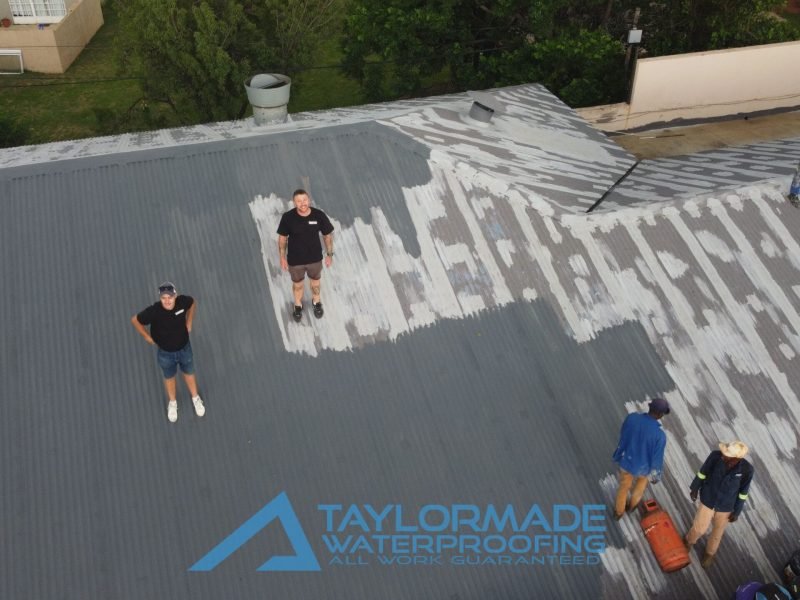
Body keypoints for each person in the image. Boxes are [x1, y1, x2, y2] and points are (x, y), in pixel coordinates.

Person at [131, 282, 205, 423]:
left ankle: (195, 398)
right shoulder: (154, 311)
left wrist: (189, 321)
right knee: (169, 377)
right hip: (165, 354)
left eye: (170, 297)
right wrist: (146, 336)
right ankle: (173, 402)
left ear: (175, 296)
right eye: (163, 297)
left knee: (189, 373)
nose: (167, 300)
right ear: (160, 298)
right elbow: (135, 320)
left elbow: (192, 302)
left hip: (184, 349)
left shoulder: (182, 302)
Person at [685, 441, 753, 569]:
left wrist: (736, 512)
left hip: (726, 507)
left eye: (727, 455)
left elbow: (743, 493)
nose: (723, 455)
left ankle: (710, 554)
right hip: (708, 499)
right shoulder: (715, 456)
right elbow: (703, 472)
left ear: (736, 459)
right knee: (699, 528)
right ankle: (688, 541)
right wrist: (695, 488)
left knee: (717, 532)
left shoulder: (747, 470)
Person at [276, 189, 334, 322]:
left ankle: (316, 302)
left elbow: (327, 236)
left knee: (315, 283)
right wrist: (282, 257)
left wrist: (330, 255)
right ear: (294, 202)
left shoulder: (318, 215)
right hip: (295, 261)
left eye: (305, 200)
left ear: (309, 199)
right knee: (298, 285)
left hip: (315, 259)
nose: (303, 203)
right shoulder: (288, 217)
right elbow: (282, 239)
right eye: (299, 201)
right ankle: (298, 305)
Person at [612, 397, 670, 520]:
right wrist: (656, 475)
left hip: (627, 461)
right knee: (640, 486)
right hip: (644, 468)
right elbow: (657, 459)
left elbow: (624, 435)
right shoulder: (660, 436)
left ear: (650, 407)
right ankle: (632, 506)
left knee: (623, 487)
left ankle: (618, 512)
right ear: (660, 415)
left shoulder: (632, 418)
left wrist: (619, 453)